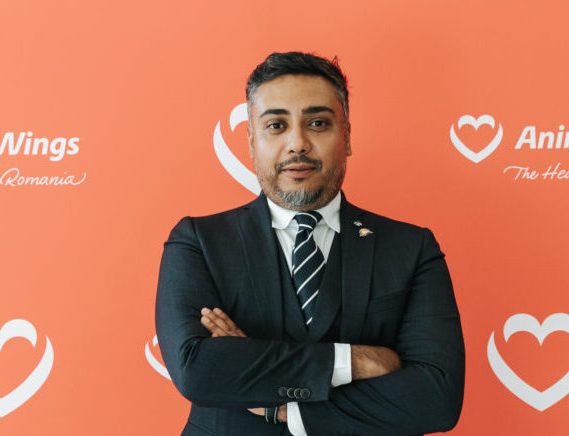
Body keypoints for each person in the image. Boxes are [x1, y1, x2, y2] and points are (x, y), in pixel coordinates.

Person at [155, 51, 465, 436]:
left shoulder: (412, 248)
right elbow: (198, 371)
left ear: (346, 137)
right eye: (276, 125)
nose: (297, 143)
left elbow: (436, 398)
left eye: (317, 123)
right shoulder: (199, 242)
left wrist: (283, 407)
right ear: (251, 141)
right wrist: (353, 361)